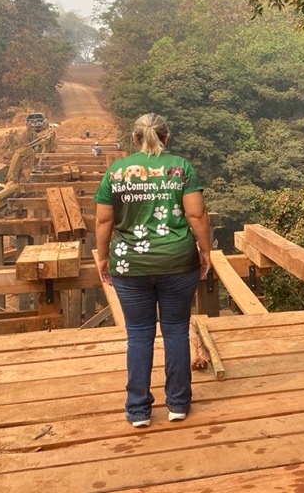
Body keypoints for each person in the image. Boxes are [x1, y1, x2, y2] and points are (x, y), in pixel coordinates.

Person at [94, 112, 212, 427]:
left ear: (135, 139)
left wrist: (103, 257)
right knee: (175, 329)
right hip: (177, 260)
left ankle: (138, 410)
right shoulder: (180, 169)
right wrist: (205, 251)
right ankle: (177, 404)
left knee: (139, 334)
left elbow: (104, 220)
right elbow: (197, 216)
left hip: (129, 264)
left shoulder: (116, 172)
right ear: (166, 137)